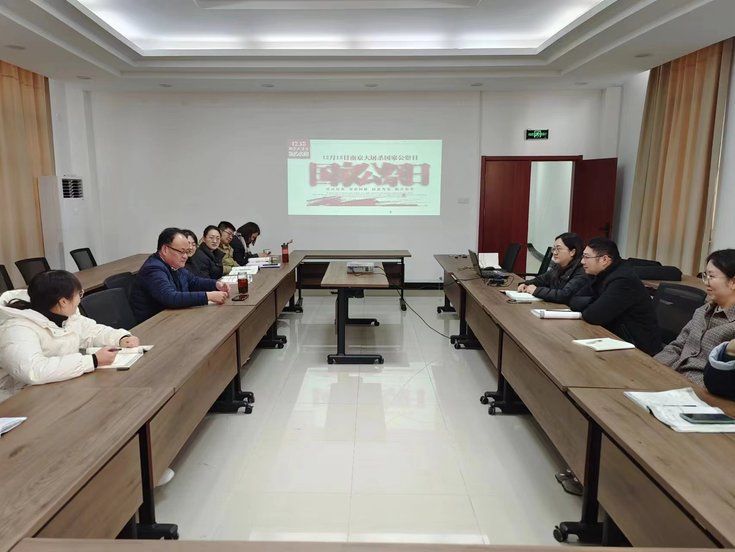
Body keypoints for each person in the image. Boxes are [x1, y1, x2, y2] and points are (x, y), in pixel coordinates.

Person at [0, 270, 139, 402]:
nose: (79, 299)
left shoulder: (66, 315)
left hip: (59, 387)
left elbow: (93, 331)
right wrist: (92, 361)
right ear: (63, 302)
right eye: (79, 294)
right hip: (19, 399)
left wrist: (121, 338)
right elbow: (34, 370)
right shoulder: (16, 328)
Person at [569, 237, 662, 356]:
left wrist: (594, 303)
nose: (582, 261)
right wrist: (596, 301)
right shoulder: (599, 274)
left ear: (604, 259)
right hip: (615, 338)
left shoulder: (623, 280)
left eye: (586, 257)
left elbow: (593, 316)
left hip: (637, 348)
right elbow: (574, 301)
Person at [655, 249, 735, 386]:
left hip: (701, 387)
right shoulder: (702, 311)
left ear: (733, 282)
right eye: (705, 276)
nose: (706, 282)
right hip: (672, 375)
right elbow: (677, 346)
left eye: (712, 276)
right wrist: (652, 366)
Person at [129, 227, 229, 323]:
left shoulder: (174, 264)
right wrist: (208, 296)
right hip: (153, 324)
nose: (185, 256)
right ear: (165, 249)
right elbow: (170, 297)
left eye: (187, 251)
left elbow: (193, 281)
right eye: (181, 251)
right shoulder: (153, 269)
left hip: (173, 316)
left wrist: (216, 284)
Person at [517, 232, 589, 304]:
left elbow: (564, 295)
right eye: (554, 249)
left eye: (558, 249)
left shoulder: (582, 270)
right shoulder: (558, 267)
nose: (554, 252)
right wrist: (525, 284)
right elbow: (542, 279)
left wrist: (536, 291)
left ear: (572, 252)